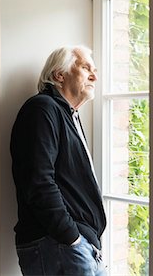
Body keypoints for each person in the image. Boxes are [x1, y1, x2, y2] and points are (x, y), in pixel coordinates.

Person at [10, 46, 107, 276]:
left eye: (94, 70)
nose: (94, 76)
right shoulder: (42, 109)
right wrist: (71, 237)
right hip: (58, 245)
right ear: (59, 75)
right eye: (85, 68)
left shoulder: (67, 115)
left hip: (71, 246)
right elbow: (39, 181)